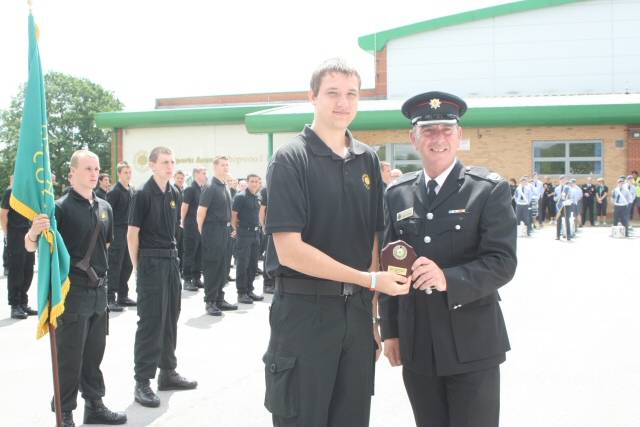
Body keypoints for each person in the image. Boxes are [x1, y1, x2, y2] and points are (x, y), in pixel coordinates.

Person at [263, 58, 410, 427]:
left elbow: (373, 244)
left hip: (357, 316)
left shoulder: (367, 160)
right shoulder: (290, 159)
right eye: (332, 93)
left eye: (351, 94)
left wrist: (373, 318)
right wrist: (368, 280)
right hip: (304, 314)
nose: (342, 102)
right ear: (312, 97)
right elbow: (290, 250)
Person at [381, 91, 517, 427]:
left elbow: (503, 261)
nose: (437, 138)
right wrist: (391, 332)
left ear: (460, 137)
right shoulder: (398, 194)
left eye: (446, 130)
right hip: (418, 343)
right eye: (428, 131)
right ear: (414, 138)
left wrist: (448, 278)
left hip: (472, 343)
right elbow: (391, 266)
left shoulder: (487, 189)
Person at [26, 150, 126, 427]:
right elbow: (32, 247)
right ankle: (65, 412)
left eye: (96, 169)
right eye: (87, 169)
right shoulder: (58, 208)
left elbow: (105, 246)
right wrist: (34, 232)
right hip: (72, 295)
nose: (94, 173)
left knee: (94, 354)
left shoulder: (105, 207)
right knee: (69, 357)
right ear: (72, 173)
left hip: (98, 293)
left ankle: (94, 405)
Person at [127, 146, 197, 408]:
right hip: (151, 261)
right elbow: (132, 234)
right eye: (165, 162)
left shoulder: (175, 192)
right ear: (152, 165)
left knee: (170, 318)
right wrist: (138, 269)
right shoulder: (143, 194)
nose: (170, 166)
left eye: (172, 162)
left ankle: (167, 372)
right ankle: (142, 381)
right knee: (151, 322)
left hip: (170, 260)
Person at [197, 156, 238, 316]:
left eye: (227, 164)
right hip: (212, 231)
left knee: (223, 267)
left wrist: (231, 227)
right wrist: (205, 234)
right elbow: (200, 214)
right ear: (215, 167)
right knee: (212, 267)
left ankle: (219, 298)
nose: (226, 167)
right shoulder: (210, 186)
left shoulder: (225, 186)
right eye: (223, 165)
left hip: (225, 231)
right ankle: (210, 301)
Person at [1, 176, 37, 319]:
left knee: (28, 270)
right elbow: (3, 214)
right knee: (16, 271)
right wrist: (8, 233)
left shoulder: (29, 192)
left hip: (29, 234)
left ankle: (23, 303)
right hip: (15, 235)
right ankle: (15, 305)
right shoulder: (11, 191)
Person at [106, 161, 136, 312]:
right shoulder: (114, 192)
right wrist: (108, 236)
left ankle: (123, 296)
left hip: (129, 231)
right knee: (115, 265)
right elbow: (107, 214)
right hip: (117, 231)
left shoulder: (132, 190)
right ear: (119, 174)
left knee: (128, 264)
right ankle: (110, 298)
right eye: (125, 172)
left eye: (130, 172)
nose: (128, 175)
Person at [232, 174, 264, 304]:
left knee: (253, 264)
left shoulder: (258, 197)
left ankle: (249, 290)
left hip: (256, 234)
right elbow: (233, 216)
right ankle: (241, 292)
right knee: (242, 264)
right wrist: (236, 230)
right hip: (244, 234)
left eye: (257, 181)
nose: (254, 184)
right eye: (252, 181)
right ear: (248, 182)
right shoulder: (240, 197)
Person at [181, 167, 207, 291]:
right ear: (196, 174)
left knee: (199, 252)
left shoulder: (202, 189)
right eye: (203, 173)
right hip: (191, 225)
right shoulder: (190, 189)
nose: (206, 175)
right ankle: (187, 279)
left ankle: (196, 278)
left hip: (200, 226)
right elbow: (184, 207)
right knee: (190, 253)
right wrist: (182, 222)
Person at [259, 184, 275, 294]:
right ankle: (267, 284)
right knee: (269, 255)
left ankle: (274, 283)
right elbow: (262, 210)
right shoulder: (266, 189)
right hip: (270, 227)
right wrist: (263, 226)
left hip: (282, 227)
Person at [173, 170, 186, 276]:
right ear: (174, 178)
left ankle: (180, 269)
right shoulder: (173, 191)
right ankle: (176, 269)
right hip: (175, 224)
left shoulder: (182, 191)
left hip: (182, 224)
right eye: (178, 178)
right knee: (176, 247)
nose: (180, 180)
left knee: (182, 248)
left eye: (182, 178)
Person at [554, 176, 572, 240]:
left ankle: (568, 235)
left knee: (567, 221)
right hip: (559, 206)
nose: (562, 181)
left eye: (564, 180)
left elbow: (570, 197)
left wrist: (566, 199)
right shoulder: (556, 189)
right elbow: (554, 198)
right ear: (559, 181)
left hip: (566, 206)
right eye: (561, 180)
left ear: (565, 181)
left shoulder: (568, 188)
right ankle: (558, 236)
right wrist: (560, 197)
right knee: (558, 221)